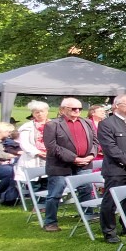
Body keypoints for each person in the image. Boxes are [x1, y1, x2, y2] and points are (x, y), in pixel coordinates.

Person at [43, 98, 98, 232]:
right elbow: (52, 147)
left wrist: (91, 155)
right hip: (60, 165)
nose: (77, 111)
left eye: (79, 108)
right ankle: (50, 222)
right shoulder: (52, 125)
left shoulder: (87, 122)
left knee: (86, 190)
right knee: (55, 193)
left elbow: (95, 142)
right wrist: (74, 158)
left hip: (85, 163)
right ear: (63, 109)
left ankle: (87, 215)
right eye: (73, 108)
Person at [96, 95, 126, 243]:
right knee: (110, 201)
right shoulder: (106, 124)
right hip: (115, 169)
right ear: (116, 105)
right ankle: (109, 231)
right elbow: (110, 147)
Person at [15, 100, 50, 189]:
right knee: (34, 185)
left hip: (51, 158)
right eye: (37, 112)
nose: (40, 114)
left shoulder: (55, 124)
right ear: (33, 114)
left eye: (42, 111)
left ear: (47, 112)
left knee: (49, 184)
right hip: (33, 158)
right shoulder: (27, 127)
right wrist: (37, 152)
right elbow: (24, 143)